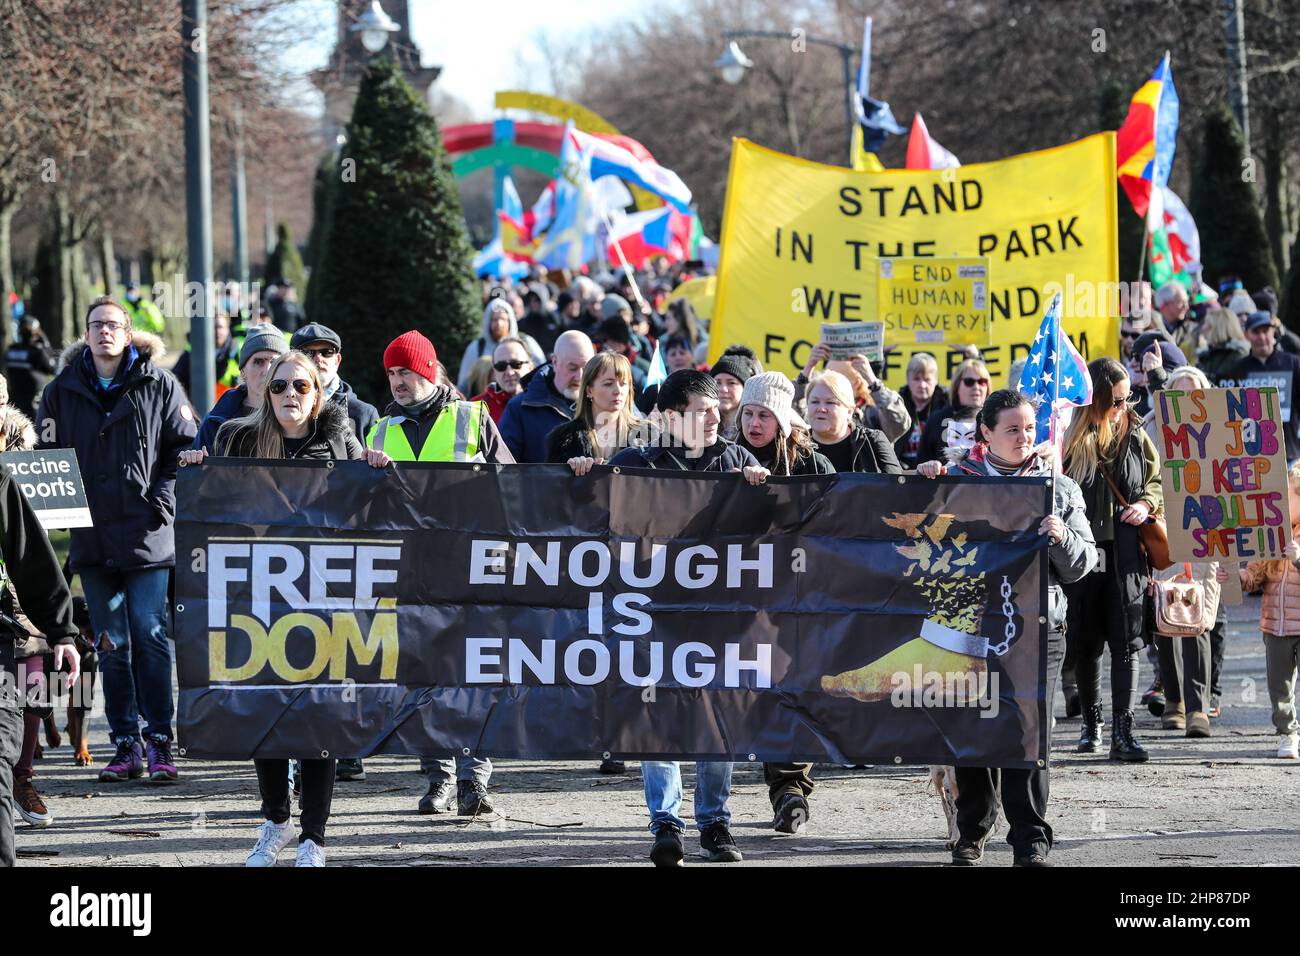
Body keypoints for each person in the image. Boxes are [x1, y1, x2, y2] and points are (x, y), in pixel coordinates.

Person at [181, 352, 392, 866]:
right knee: (266, 710)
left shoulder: (340, 441)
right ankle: (275, 821)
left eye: (301, 384)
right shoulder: (237, 437)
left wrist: (374, 470)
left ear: (318, 392)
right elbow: (216, 504)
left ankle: (314, 838)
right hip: (260, 599)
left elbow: (364, 516)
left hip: (324, 599)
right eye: (279, 386)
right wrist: (196, 469)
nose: (290, 394)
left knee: (320, 718)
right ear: (265, 392)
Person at [920, 389, 1097, 866]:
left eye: (1030, 428)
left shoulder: (1056, 486)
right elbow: (923, 548)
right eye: (1012, 429)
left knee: (1026, 730)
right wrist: (920, 491)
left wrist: (1060, 537)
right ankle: (972, 827)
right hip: (968, 628)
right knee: (971, 725)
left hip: (1039, 628)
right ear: (986, 434)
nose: (1024, 437)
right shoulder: (957, 481)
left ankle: (1030, 837)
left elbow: (1085, 563)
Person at [609, 369, 768, 866]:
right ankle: (665, 823)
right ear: (670, 416)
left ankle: (716, 823)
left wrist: (761, 491)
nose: (715, 419)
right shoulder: (636, 462)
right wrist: (581, 470)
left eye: (717, 410)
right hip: (651, 610)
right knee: (658, 713)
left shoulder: (737, 460)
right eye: (701, 412)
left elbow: (769, 529)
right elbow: (594, 510)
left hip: (718, 614)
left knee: (714, 715)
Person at [36, 296, 197, 782]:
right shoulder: (59, 392)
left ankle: (160, 741)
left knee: (150, 635)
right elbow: (46, 457)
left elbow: (183, 449)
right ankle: (125, 742)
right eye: (95, 325)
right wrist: (59, 511)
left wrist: (163, 500)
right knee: (110, 643)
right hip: (92, 537)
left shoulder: (160, 383)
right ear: (85, 335)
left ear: (129, 334)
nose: (104, 331)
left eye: (113, 325)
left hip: (148, 531)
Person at [365, 330, 515, 814]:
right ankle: (439, 778)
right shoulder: (378, 432)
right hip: (411, 575)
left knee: (472, 675)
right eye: (391, 373)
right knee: (421, 677)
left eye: (406, 371)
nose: (398, 382)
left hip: (470, 570)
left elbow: (512, 486)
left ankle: (475, 779)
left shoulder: (474, 418)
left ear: (429, 371)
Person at [1061, 357, 1162, 763]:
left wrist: (1145, 503)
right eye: (1117, 399)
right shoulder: (1067, 437)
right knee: (1085, 643)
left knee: (1127, 643)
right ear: (1097, 399)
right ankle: (1092, 724)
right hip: (1082, 554)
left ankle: (1124, 731)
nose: (1125, 405)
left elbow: (1157, 480)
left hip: (1125, 552)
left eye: (1128, 397)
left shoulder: (1134, 432)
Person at [0, 442, 80, 867]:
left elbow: (30, 551)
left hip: (11, 623)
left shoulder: (8, 468)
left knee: (5, 737)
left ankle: (22, 776)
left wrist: (62, 630)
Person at [1237, 463, 1300, 759]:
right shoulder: (1273, 530)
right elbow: (1255, 575)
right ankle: (1288, 733)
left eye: (1288, 495)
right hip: (1275, 624)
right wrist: (1238, 577)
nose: (1281, 502)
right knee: (1280, 685)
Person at [499, 330, 595, 463]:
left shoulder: (609, 400)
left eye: (586, 368)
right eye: (572, 368)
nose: (579, 377)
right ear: (555, 362)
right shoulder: (519, 408)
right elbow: (503, 467)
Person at [192, 323, 288, 453]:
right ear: (243, 372)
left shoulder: (300, 418)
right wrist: (194, 461)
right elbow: (198, 472)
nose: (266, 370)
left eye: (274, 362)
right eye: (258, 362)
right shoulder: (216, 423)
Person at [794, 343, 910, 446]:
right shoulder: (818, 412)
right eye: (826, 374)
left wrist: (872, 381)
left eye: (836, 378)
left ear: (856, 383)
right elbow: (796, 412)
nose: (827, 382)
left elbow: (898, 423)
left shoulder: (873, 414)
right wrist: (808, 368)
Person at [1228, 312, 1300, 463]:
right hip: (1251, 458)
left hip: (1290, 455)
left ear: (1273, 331)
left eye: (1265, 330)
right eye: (1256, 332)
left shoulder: (1294, 363)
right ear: (1246, 334)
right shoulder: (1236, 371)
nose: (1262, 337)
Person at [289, 322, 379, 442]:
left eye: (327, 352)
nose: (318, 359)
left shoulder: (364, 414)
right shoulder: (280, 408)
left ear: (337, 360)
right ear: (292, 361)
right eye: (308, 353)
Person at [807, 371, 902, 474]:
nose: (821, 409)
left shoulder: (872, 441)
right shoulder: (794, 446)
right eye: (814, 402)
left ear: (849, 411)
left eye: (830, 402)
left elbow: (897, 486)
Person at [457, 298, 546, 395]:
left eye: (516, 364)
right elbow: (464, 384)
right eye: (494, 319)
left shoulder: (527, 342)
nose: (499, 324)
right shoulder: (477, 348)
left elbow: (543, 371)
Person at [917, 358, 990, 466]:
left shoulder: (996, 420)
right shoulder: (936, 420)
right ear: (956, 386)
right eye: (969, 382)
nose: (976, 387)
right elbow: (922, 461)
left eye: (982, 382)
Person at [894, 353, 947, 470]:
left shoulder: (947, 404)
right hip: (902, 475)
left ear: (936, 380)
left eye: (927, 379)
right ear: (908, 379)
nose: (922, 385)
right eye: (916, 379)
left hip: (936, 474)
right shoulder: (895, 406)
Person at [173, 311, 241, 400]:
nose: (217, 331)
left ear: (228, 328)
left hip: (231, 410)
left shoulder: (238, 352)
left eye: (220, 327)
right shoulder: (191, 353)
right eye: (213, 327)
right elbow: (175, 380)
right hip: (198, 409)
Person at [471, 337, 534, 424]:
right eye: (501, 366)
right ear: (494, 371)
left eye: (516, 364)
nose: (509, 372)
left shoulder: (546, 401)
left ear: (530, 367)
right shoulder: (475, 408)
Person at [5, 316, 57, 418]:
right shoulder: (37, 352)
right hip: (34, 405)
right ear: (36, 332)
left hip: (15, 403)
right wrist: (46, 346)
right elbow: (53, 368)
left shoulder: (12, 350)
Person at [710, 348, 761, 441]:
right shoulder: (700, 424)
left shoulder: (755, 429)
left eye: (731, 383)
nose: (723, 389)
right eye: (717, 382)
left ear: (745, 388)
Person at [1195, 305, 1249, 385]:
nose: (1203, 328)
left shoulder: (1239, 355)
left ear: (1217, 328)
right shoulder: (1205, 356)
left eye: (1207, 324)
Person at [1155, 281, 1198, 356]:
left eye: (1186, 302)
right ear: (1165, 305)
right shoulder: (1151, 328)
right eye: (1181, 302)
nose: (1186, 307)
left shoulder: (1193, 329)